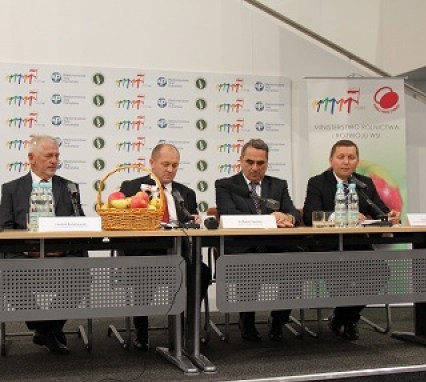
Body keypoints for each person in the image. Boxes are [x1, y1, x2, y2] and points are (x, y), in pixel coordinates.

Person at [0, 135, 87, 354]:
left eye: (57, 155)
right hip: (25, 255)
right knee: (13, 275)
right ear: (31, 158)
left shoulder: (69, 187)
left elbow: (81, 224)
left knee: (81, 274)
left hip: (63, 255)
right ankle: (48, 331)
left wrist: (62, 249)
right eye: (49, 156)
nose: (54, 160)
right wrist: (30, 250)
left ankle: (45, 329)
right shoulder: (12, 189)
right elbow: (4, 228)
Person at [302, 139, 400, 340]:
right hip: (328, 247)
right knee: (341, 276)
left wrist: (389, 216)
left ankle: (343, 317)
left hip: (358, 244)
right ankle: (348, 320)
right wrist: (343, 216)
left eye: (351, 157)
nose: (346, 162)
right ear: (331, 160)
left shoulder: (365, 183)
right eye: (341, 157)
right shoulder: (318, 182)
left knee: (381, 272)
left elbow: (379, 211)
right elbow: (310, 215)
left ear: (357, 161)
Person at [119, 143, 206, 351]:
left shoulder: (186, 193)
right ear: (152, 163)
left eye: (175, 165)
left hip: (179, 254)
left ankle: (185, 328)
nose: (170, 169)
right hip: (144, 253)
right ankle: (141, 330)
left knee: (201, 272)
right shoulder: (132, 188)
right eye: (165, 164)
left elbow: (191, 225)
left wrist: (194, 220)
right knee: (142, 273)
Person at [215, 138, 301, 342]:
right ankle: (247, 321)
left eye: (260, 163)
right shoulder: (226, 185)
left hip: (273, 247)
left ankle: (279, 320)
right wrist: (269, 219)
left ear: (267, 163)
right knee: (250, 265)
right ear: (241, 161)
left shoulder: (278, 185)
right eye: (250, 162)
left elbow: (293, 213)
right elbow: (229, 214)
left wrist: (287, 217)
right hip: (242, 247)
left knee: (297, 263)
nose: (255, 168)